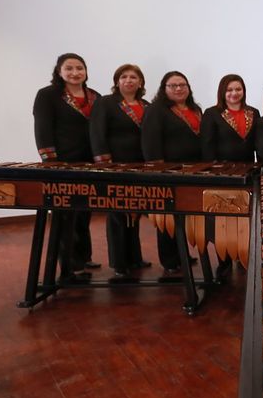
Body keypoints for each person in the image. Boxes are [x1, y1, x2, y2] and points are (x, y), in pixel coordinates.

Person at [32, 52, 101, 277]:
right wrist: (50, 161)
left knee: (84, 211)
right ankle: (70, 265)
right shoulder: (47, 95)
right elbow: (42, 129)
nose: (75, 72)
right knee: (65, 215)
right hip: (62, 162)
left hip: (89, 162)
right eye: (69, 68)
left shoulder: (95, 96)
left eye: (79, 68)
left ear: (86, 71)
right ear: (59, 71)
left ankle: (84, 257)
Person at [89, 64, 151, 277]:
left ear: (140, 82)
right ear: (117, 81)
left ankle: (135, 257)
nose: (129, 80)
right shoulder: (106, 102)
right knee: (117, 213)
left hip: (140, 164)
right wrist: (104, 163)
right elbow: (97, 133)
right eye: (124, 77)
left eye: (133, 77)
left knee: (135, 211)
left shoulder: (146, 105)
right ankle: (119, 262)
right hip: (115, 164)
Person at [141, 71, 202, 273]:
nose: (178, 89)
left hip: (192, 172)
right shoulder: (156, 110)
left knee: (183, 217)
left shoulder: (195, 109)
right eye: (173, 85)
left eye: (182, 85)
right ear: (164, 89)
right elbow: (150, 142)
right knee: (168, 218)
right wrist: (158, 170)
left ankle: (182, 254)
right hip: (168, 172)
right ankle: (169, 259)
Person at [201, 74, 259, 163]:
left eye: (238, 89)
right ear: (222, 92)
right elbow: (207, 145)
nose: (234, 93)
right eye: (229, 90)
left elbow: (258, 142)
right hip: (222, 166)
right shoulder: (211, 113)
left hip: (249, 165)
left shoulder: (254, 112)